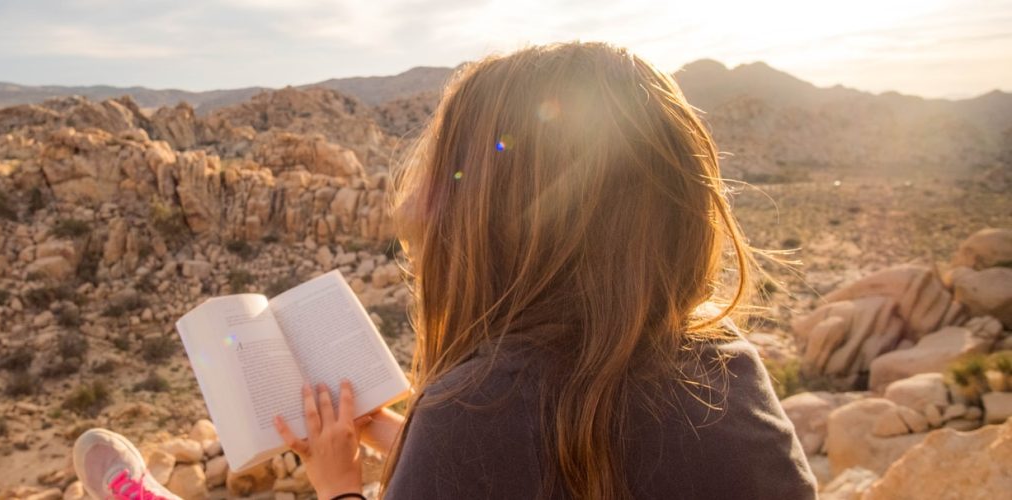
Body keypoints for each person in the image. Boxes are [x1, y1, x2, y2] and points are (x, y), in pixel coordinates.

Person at [73, 41, 817, 500]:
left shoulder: (474, 412)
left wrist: (338, 484)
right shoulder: (729, 377)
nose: (421, 204)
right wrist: (407, 444)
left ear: (497, 222)